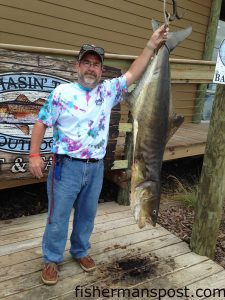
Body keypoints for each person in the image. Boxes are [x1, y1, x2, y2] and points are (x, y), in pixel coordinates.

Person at [29, 24, 168, 285]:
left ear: (101, 70)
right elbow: (41, 122)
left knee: (87, 214)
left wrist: (152, 43)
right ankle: (51, 259)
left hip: (95, 167)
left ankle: (80, 251)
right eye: (87, 63)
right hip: (66, 167)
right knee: (58, 216)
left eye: (96, 64)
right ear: (77, 67)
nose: (91, 68)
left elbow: (133, 72)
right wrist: (34, 154)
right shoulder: (62, 93)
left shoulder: (107, 92)